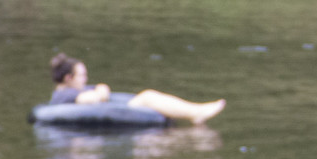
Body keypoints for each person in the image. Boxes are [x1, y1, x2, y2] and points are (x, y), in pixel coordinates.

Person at [47, 53, 225, 124]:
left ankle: (195, 111)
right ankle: (196, 112)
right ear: (68, 78)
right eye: (82, 76)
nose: (85, 79)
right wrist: (100, 93)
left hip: (113, 109)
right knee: (147, 96)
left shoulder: (78, 89)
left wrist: (100, 91)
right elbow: (93, 97)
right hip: (114, 114)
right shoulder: (64, 96)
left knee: (148, 96)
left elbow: (101, 88)